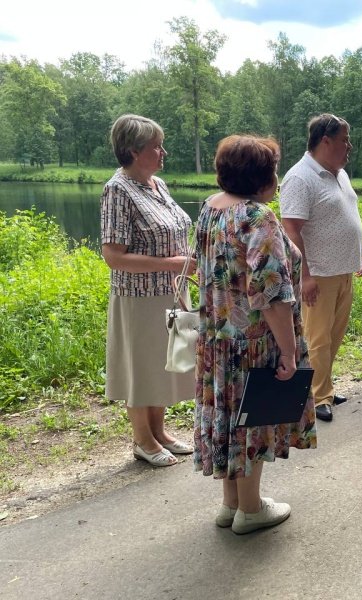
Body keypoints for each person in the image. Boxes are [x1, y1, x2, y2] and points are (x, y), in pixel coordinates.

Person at [193, 135, 316, 535]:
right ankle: (251, 508)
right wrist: (288, 352)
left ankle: (230, 504)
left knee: (228, 416)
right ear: (262, 175)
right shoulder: (257, 217)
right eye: (274, 170)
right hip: (253, 342)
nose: (278, 178)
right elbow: (272, 293)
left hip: (217, 341)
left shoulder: (211, 208)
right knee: (252, 420)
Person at [101, 114, 194, 468]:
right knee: (141, 367)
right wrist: (173, 262)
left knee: (166, 363)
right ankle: (142, 440)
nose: (163, 152)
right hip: (139, 295)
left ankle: (160, 430)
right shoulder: (117, 190)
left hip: (171, 291)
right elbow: (113, 256)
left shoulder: (158, 184)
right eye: (156, 146)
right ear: (132, 151)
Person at [280, 113, 362, 423]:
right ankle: (316, 397)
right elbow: (291, 229)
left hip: (343, 270)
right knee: (317, 338)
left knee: (334, 334)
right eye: (344, 140)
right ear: (325, 141)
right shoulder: (300, 177)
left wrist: (359, 253)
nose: (349, 146)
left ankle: (325, 388)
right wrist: (304, 276)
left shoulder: (338, 173)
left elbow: (348, 214)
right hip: (318, 275)